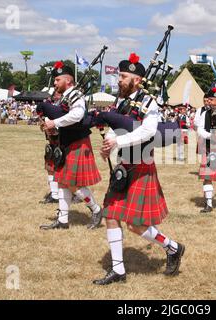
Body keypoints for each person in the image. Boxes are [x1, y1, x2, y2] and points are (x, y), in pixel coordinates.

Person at [92, 53, 185, 285]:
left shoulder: (149, 102)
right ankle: (118, 270)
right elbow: (117, 126)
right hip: (124, 164)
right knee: (111, 215)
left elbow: (148, 132)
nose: (119, 80)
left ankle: (173, 247)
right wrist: (108, 145)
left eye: (123, 77)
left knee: (135, 224)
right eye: (119, 76)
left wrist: (117, 142)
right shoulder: (122, 102)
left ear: (137, 79)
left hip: (141, 165)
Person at [40, 61, 102, 230]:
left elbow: (77, 115)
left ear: (68, 80)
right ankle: (63, 220)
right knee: (61, 181)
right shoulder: (65, 96)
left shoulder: (75, 95)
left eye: (57, 79)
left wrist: (55, 122)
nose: (54, 82)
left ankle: (96, 210)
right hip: (66, 142)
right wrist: (51, 126)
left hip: (77, 142)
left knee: (73, 184)